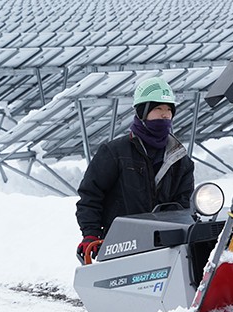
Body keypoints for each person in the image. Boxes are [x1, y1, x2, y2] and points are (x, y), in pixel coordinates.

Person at [76, 77, 195, 263]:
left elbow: (184, 206)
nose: (165, 115)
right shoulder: (115, 152)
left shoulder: (180, 160)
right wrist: (90, 234)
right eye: (158, 109)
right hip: (121, 244)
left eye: (169, 110)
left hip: (165, 245)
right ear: (142, 112)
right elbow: (90, 196)